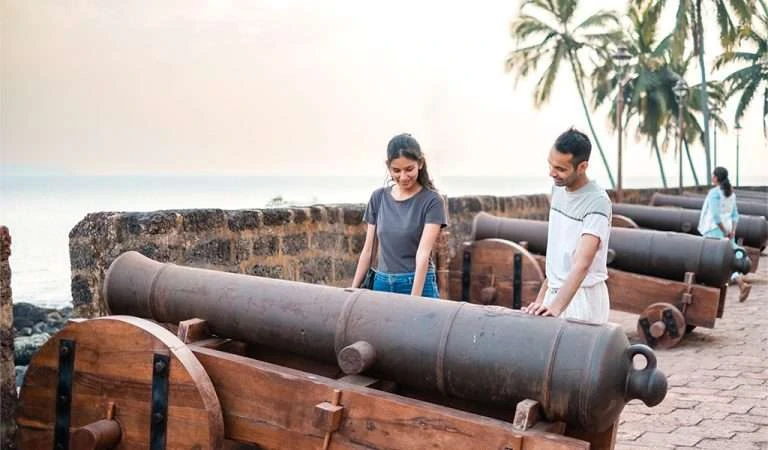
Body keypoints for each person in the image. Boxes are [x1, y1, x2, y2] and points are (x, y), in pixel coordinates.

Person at [522, 128, 612, 323]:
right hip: (554, 295)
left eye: (561, 169)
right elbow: (556, 255)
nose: (552, 173)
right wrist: (542, 300)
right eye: (551, 165)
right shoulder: (558, 190)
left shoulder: (597, 202)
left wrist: (555, 308)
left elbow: (582, 263)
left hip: (582, 297)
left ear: (582, 167)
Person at [351, 133, 447, 298]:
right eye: (396, 170)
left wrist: (414, 299)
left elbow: (423, 254)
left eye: (409, 169)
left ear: (420, 163)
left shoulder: (432, 201)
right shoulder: (378, 197)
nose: (403, 177)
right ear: (388, 167)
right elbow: (368, 251)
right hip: (381, 284)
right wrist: (353, 289)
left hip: (416, 283)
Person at [698, 166, 751, 302]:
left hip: (714, 229)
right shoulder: (730, 193)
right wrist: (732, 231)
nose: (712, 177)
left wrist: (723, 231)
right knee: (729, 260)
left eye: (713, 175)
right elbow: (735, 215)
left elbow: (715, 217)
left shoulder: (714, 193)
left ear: (716, 178)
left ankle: (737, 283)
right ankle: (740, 282)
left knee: (710, 259)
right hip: (728, 229)